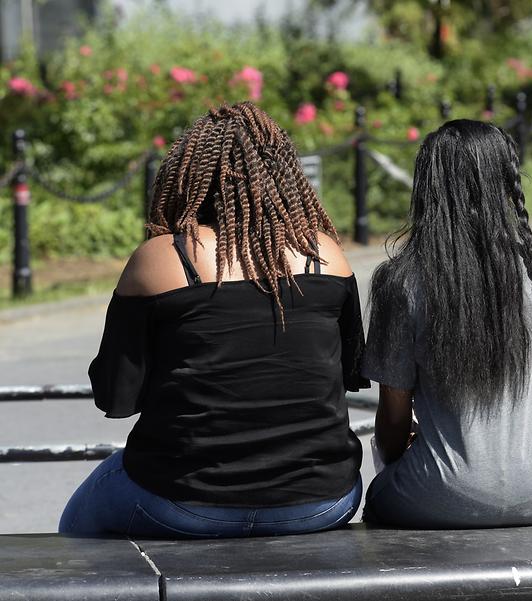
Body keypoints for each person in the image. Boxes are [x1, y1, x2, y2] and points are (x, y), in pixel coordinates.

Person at [59, 102, 368, 538]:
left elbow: (115, 397)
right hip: (323, 500)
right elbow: (348, 374)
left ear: (186, 177)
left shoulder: (162, 259)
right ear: (285, 178)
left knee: (75, 524)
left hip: (181, 499)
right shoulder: (327, 256)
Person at [362, 119, 532, 528]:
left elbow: (393, 416)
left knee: (376, 495)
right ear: (506, 185)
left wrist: (397, 462)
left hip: (441, 491)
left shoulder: (401, 281)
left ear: (427, 188)